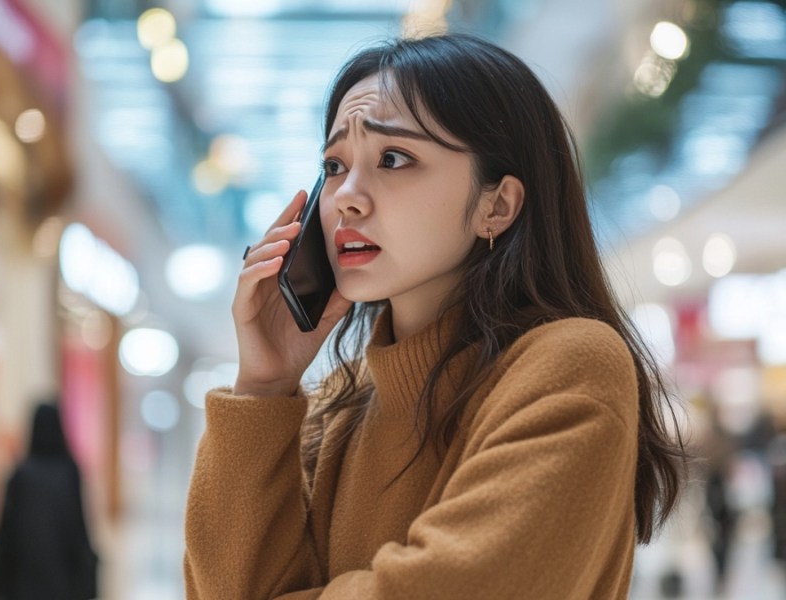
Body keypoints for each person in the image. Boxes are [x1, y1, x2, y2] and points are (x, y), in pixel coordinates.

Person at [184, 33, 686, 599]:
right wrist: (264, 387)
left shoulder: (569, 367)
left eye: (393, 158)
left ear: (496, 205)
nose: (347, 197)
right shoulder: (337, 410)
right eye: (334, 164)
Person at [0, 402, 98, 600]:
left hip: (25, 574)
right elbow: (79, 523)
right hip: (63, 573)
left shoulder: (21, 474)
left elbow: (7, 528)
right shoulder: (69, 471)